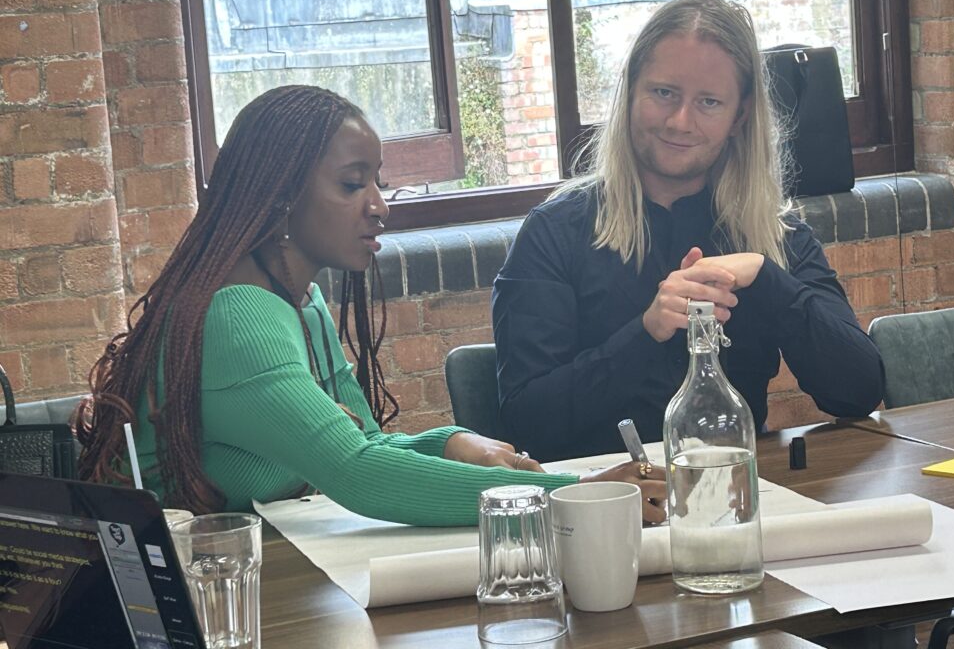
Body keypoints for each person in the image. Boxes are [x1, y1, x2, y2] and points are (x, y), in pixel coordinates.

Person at [76, 85, 666, 526]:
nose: (380, 205)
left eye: (377, 182)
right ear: (281, 195)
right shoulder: (238, 318)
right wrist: (578, 494)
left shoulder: (298, 303)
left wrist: (448, 442)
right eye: (353, 184)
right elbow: (356, 473)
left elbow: (357, 443)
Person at [492, 0, 884, 462]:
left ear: (740, 116)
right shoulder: (554, 233)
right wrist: (647, 331)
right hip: (601, 508)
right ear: (631, 91)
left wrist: (768, 278)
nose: (680, 121)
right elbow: (526, 424)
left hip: (740, 496)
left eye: (708, 102)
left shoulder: (774, 235)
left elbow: (859, 393)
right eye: (664, 93)